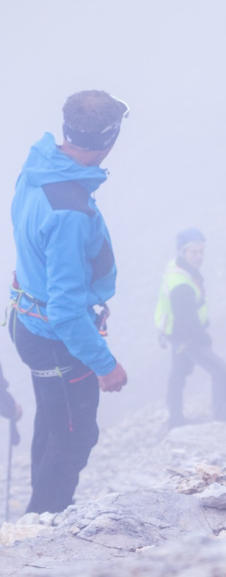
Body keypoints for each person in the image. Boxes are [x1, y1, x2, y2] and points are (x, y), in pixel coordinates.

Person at [9, 90, 130, 513]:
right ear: (107, 141)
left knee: (53, 419)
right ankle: (41, 529)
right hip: (54, 334)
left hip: (26, 319)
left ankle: (35, 522)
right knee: (75, 434)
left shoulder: (40, 163)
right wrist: (105, 364)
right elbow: (64, 310)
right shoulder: (71, 213)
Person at [155, 228, 226, 428]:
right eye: (194, 252)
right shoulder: (181, 283)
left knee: (178, 375)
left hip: (175, 334)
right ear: (182, 252)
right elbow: (186, 320)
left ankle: (175, 419)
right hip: (186, 337)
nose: (199, 256)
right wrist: (203, 338)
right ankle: (220, 422)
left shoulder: (179, 269)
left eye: (201, 251)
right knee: (221, 371)